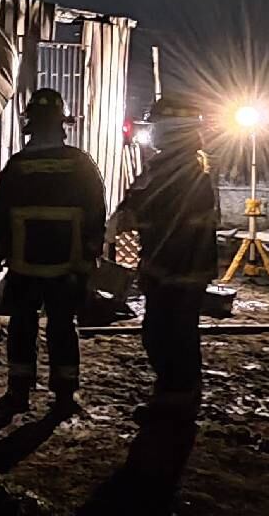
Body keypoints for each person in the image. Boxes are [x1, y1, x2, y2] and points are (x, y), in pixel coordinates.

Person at [0, 88, 108, 413]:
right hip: (66, 263)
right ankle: (65, 395)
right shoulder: (80, 164)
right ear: (61, 124)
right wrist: (89, 249)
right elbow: (96, 209)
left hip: (24, 262)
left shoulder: (18, 164)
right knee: (62, 326)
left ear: (30, 125)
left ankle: (18, 392)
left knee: (22, 324)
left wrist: (0, 244)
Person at [108, 95, 219, 421]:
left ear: (173, 128)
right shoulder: (178, 165)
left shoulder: (181, 170)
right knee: (167, 333)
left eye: (157, 125)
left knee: (170, 335)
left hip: (177, 269)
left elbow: (148, 207)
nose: (153, 132)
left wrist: (126, 215)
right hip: (173, 266)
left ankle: (177, 402)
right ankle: (175, 396)